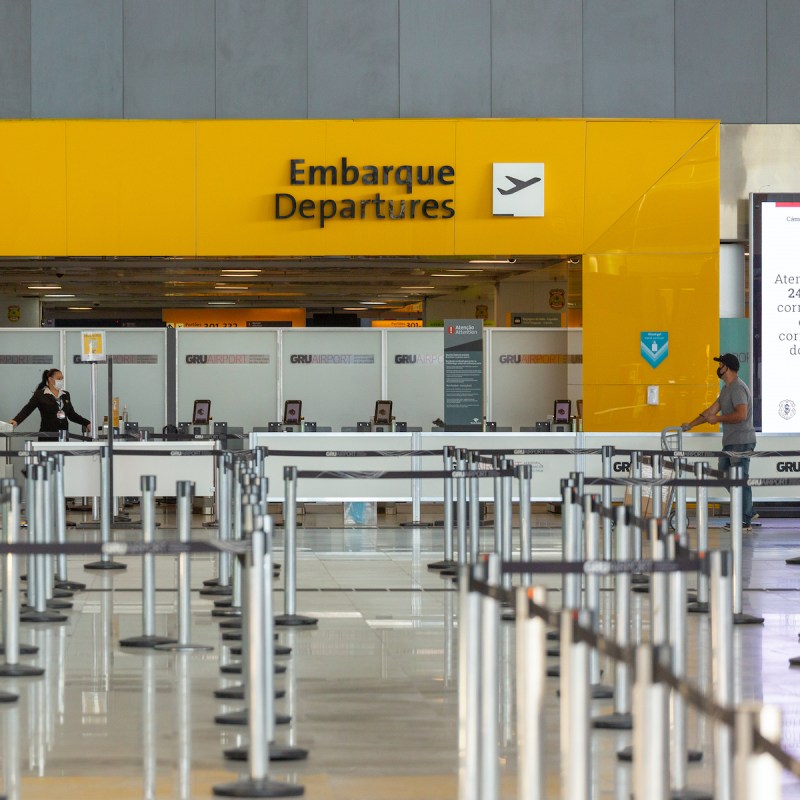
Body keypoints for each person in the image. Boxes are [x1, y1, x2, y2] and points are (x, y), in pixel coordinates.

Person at [681, 353, 756, 531]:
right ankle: (747, 510)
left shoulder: (738, 388)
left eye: (721, 364)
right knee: (724, 474)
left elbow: (741, 415)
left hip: (741, 440)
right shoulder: (726, 389)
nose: (718, 368)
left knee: (739, 479)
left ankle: (745, 519)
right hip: (730, 441)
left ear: (727, 367)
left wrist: (718, 419)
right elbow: (710, 412)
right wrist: (690, 424)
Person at [8, 368, 91, 439]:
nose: (61, 381)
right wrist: (16, 420)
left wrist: (87, 423)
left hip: (63, 436)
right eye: (59, 378)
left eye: (62, 378)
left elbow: (72, 414)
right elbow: (27, 409)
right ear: (50, 379)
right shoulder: (40, 394)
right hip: (47, 436)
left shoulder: (66, 395)